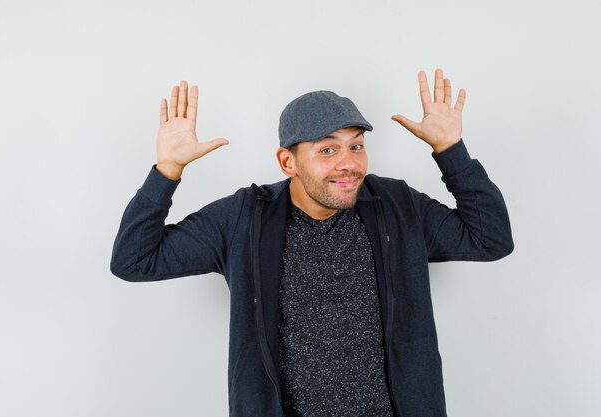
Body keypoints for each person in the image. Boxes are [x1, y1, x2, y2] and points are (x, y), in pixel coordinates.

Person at [110, 68, 514, 417]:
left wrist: (450, 150)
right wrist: (167, 171)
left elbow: (491, 238)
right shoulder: (243, 218)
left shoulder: (397, 205)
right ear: (288, 162)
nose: (349, 163)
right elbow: (134, 260)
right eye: (328, 150)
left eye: (356, 145)